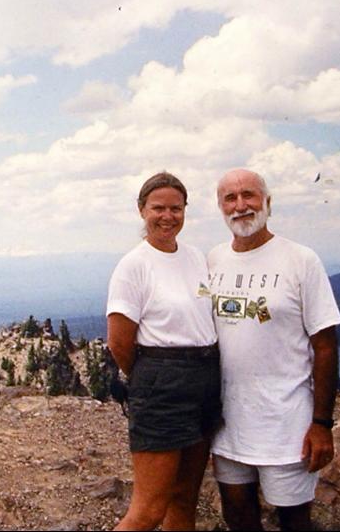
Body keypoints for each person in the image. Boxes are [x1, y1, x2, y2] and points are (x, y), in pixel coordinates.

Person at [207, 168, 340, 531]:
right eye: (230, 198)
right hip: (227, 425)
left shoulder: (300, 259)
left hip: (287, 426)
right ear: (220, 208)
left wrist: (322, 424)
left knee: (294, 522)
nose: (240, 206)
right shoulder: (213, 260)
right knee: (238, 517)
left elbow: (325, 345)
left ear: (268, 202)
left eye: (249, 195)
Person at [106, 171, 221, 531]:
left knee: (184, 500)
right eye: (158, 208)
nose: (167, 216)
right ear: (142, 210)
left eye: (176, 208)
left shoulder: (196, 257)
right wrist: (151, 380)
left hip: (205, 381)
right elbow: (119, 342)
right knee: (149, 510)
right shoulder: (133, 265)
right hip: (162, 383)